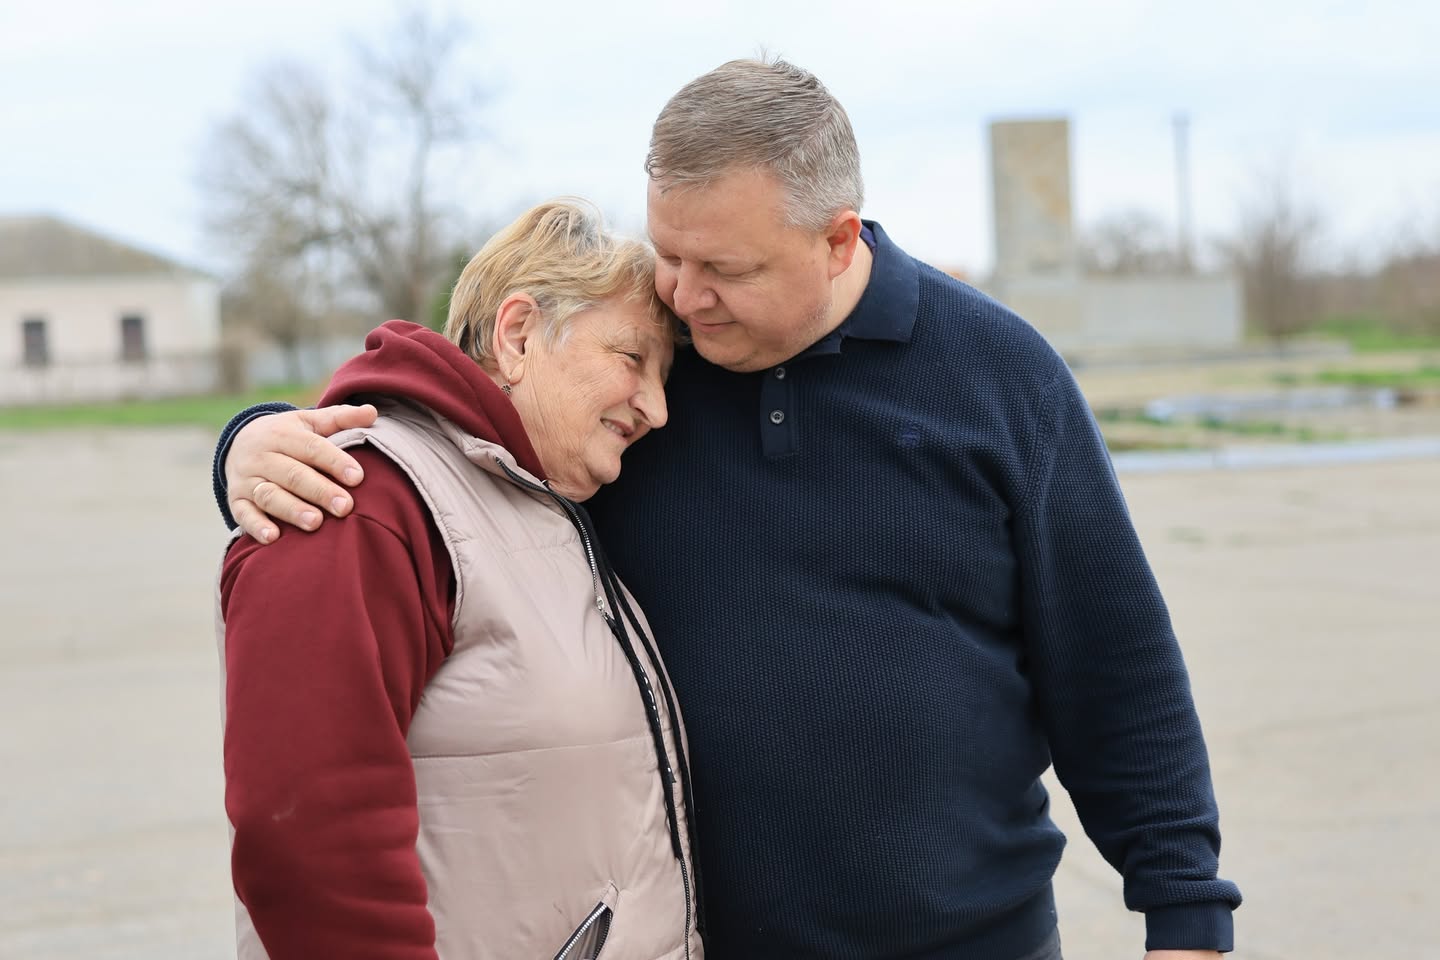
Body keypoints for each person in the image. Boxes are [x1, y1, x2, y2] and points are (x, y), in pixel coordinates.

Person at [212, 60, 1241, 960]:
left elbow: (1115, 665)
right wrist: (255, 442)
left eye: (725, 270)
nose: (684, 295)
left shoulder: (1002, 377)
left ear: (836, 240)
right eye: (670, 254)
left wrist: (1185, 908)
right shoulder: (645, 385)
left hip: (974, 942)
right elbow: (467, 425)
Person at [216, 200, 703, 960]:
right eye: (632, 358)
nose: (658, 409)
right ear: (518, 335)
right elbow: (308, 833)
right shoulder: (362, 502)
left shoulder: (544, 502)